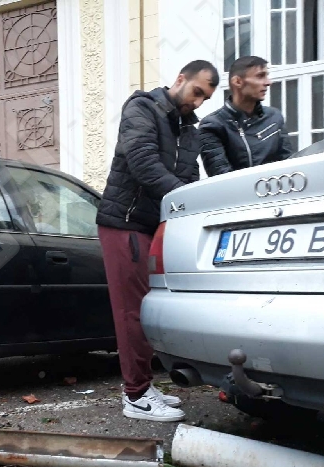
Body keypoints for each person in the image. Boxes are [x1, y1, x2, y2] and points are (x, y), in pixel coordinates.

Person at [97, 60, 219, 422]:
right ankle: (135, 396)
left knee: (151, 311)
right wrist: (183, 199)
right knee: (132, 312)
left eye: (206, 98)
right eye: (197, 91)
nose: (198, 101)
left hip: (157, 226)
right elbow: (143, 162)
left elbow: (190, 176)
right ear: (180, 79)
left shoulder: (189, 129)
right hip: (126, 222)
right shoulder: (142, 108)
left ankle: (144, 385)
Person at [200, 56, 293, 176]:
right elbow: (222, 177)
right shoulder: (212, 125)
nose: (268, 82)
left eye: (267, 76)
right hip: (240, 188)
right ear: (237, 82)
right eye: (260, 76)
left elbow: (289, 163)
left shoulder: (274, 117)